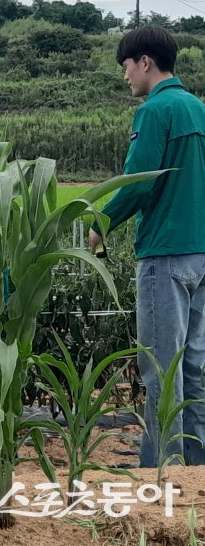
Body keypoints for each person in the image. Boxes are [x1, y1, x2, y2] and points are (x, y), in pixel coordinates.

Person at [88, 25, 205, 468]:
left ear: (145, 63)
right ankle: (195, 465)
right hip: (201, 252)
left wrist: (101, 224)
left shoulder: (155, 111)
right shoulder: (197, 108)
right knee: (192, 364)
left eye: (126, 67)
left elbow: (137, 184)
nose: (125, 78)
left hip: (165, 252)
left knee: (160, 366)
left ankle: (162, 464)